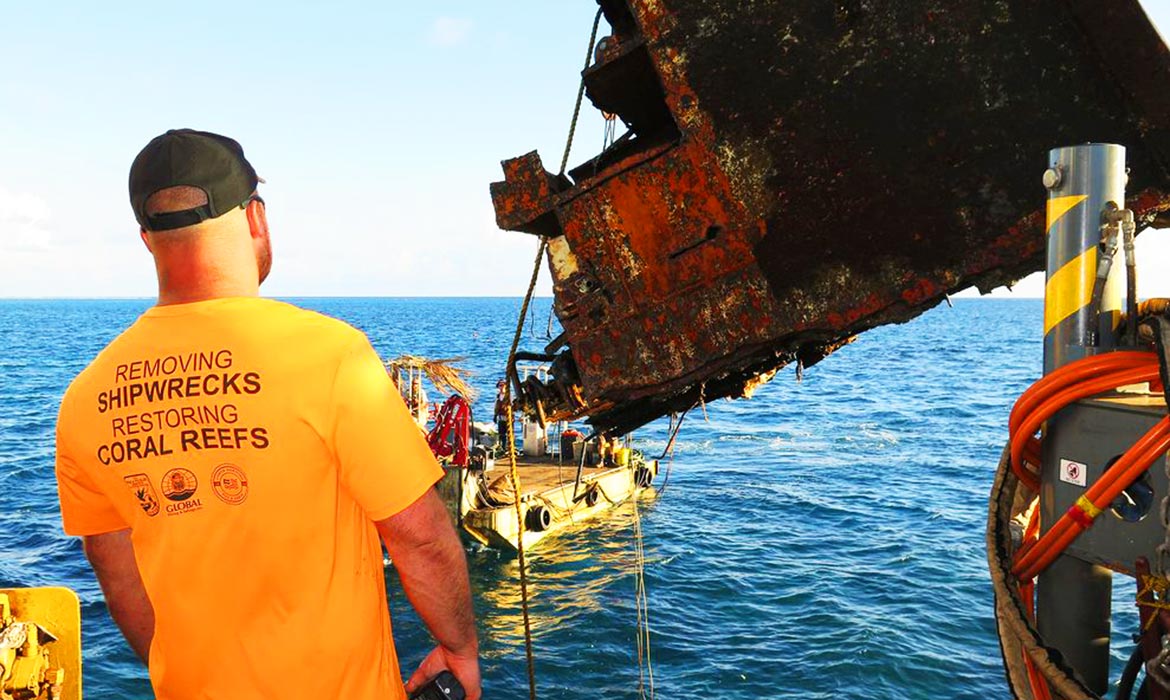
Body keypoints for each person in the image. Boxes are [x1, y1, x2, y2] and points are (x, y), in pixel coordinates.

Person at [54, 129, 481, 699]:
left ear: (147, 239)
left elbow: (118, 573)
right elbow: (418, 537)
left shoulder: (85, 399)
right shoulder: (330, 356)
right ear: (256, 218)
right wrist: (460, 648)